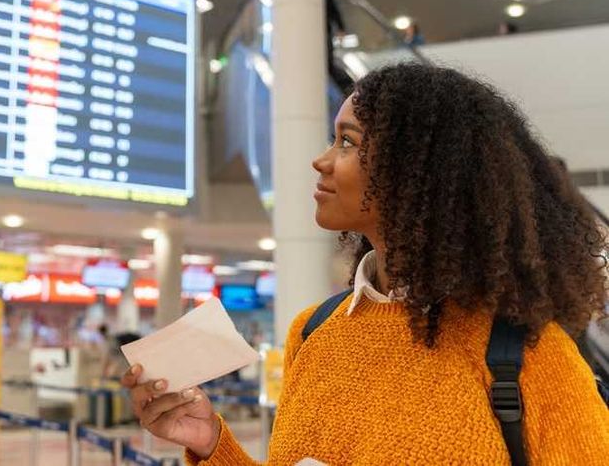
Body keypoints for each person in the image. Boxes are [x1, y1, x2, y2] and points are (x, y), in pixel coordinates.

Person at [122, 62, 609, 464]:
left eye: (347, 142)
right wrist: (211, 445)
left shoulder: (528, 357)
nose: (321, 160)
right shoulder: (313, 333)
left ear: (417, 172)